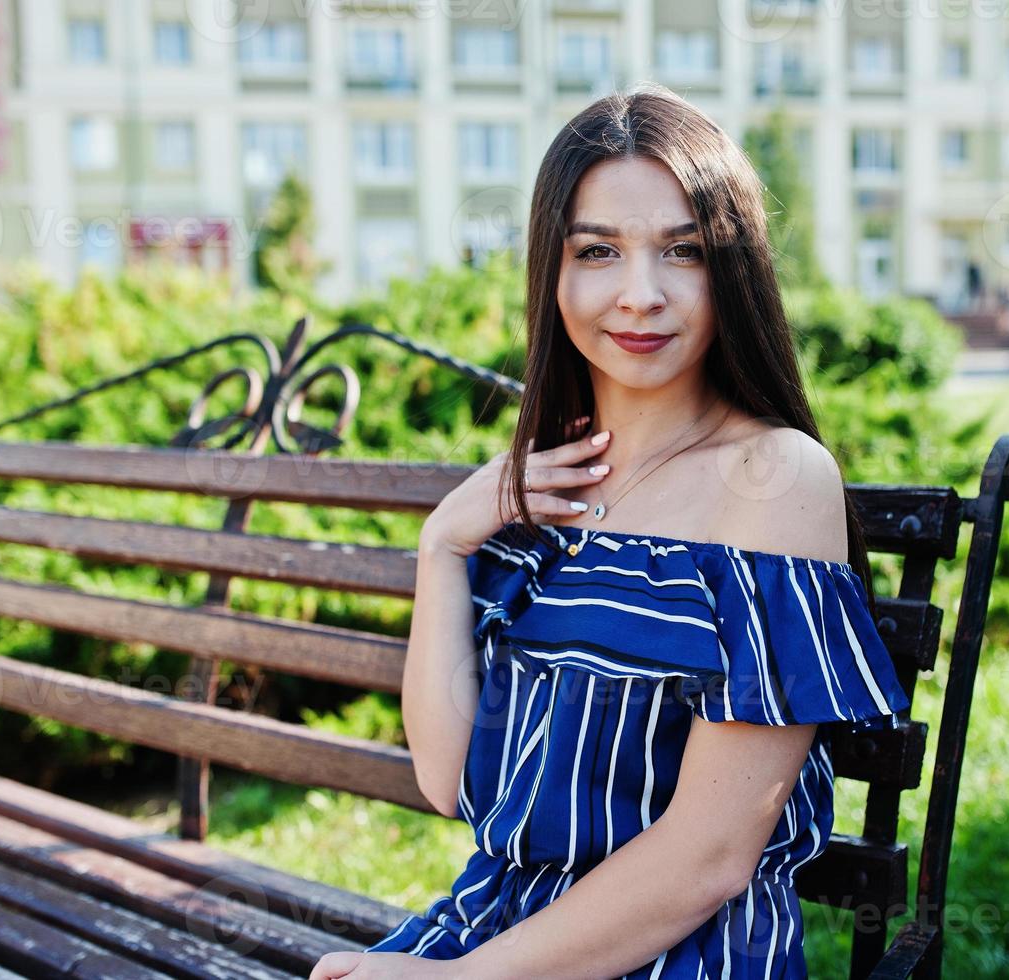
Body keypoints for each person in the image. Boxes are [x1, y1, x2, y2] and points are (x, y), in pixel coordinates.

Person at [311, 83, 910, 980]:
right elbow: (446, 781)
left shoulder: (774, 479)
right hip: (494, 934)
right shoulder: (544, 491)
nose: (640, 296)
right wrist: (444, 545)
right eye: (598, 251)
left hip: (673, 957)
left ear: (734, 272)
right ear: (552, 272)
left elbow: (711, 856)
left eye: (683, 253)